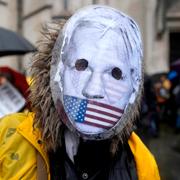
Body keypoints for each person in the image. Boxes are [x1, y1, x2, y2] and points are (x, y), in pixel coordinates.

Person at [0, 5, 160, 180]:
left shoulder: (141, 163)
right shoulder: (9, 136)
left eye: (115, 73)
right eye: (81, 66)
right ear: (54, 70)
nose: (93, 89)